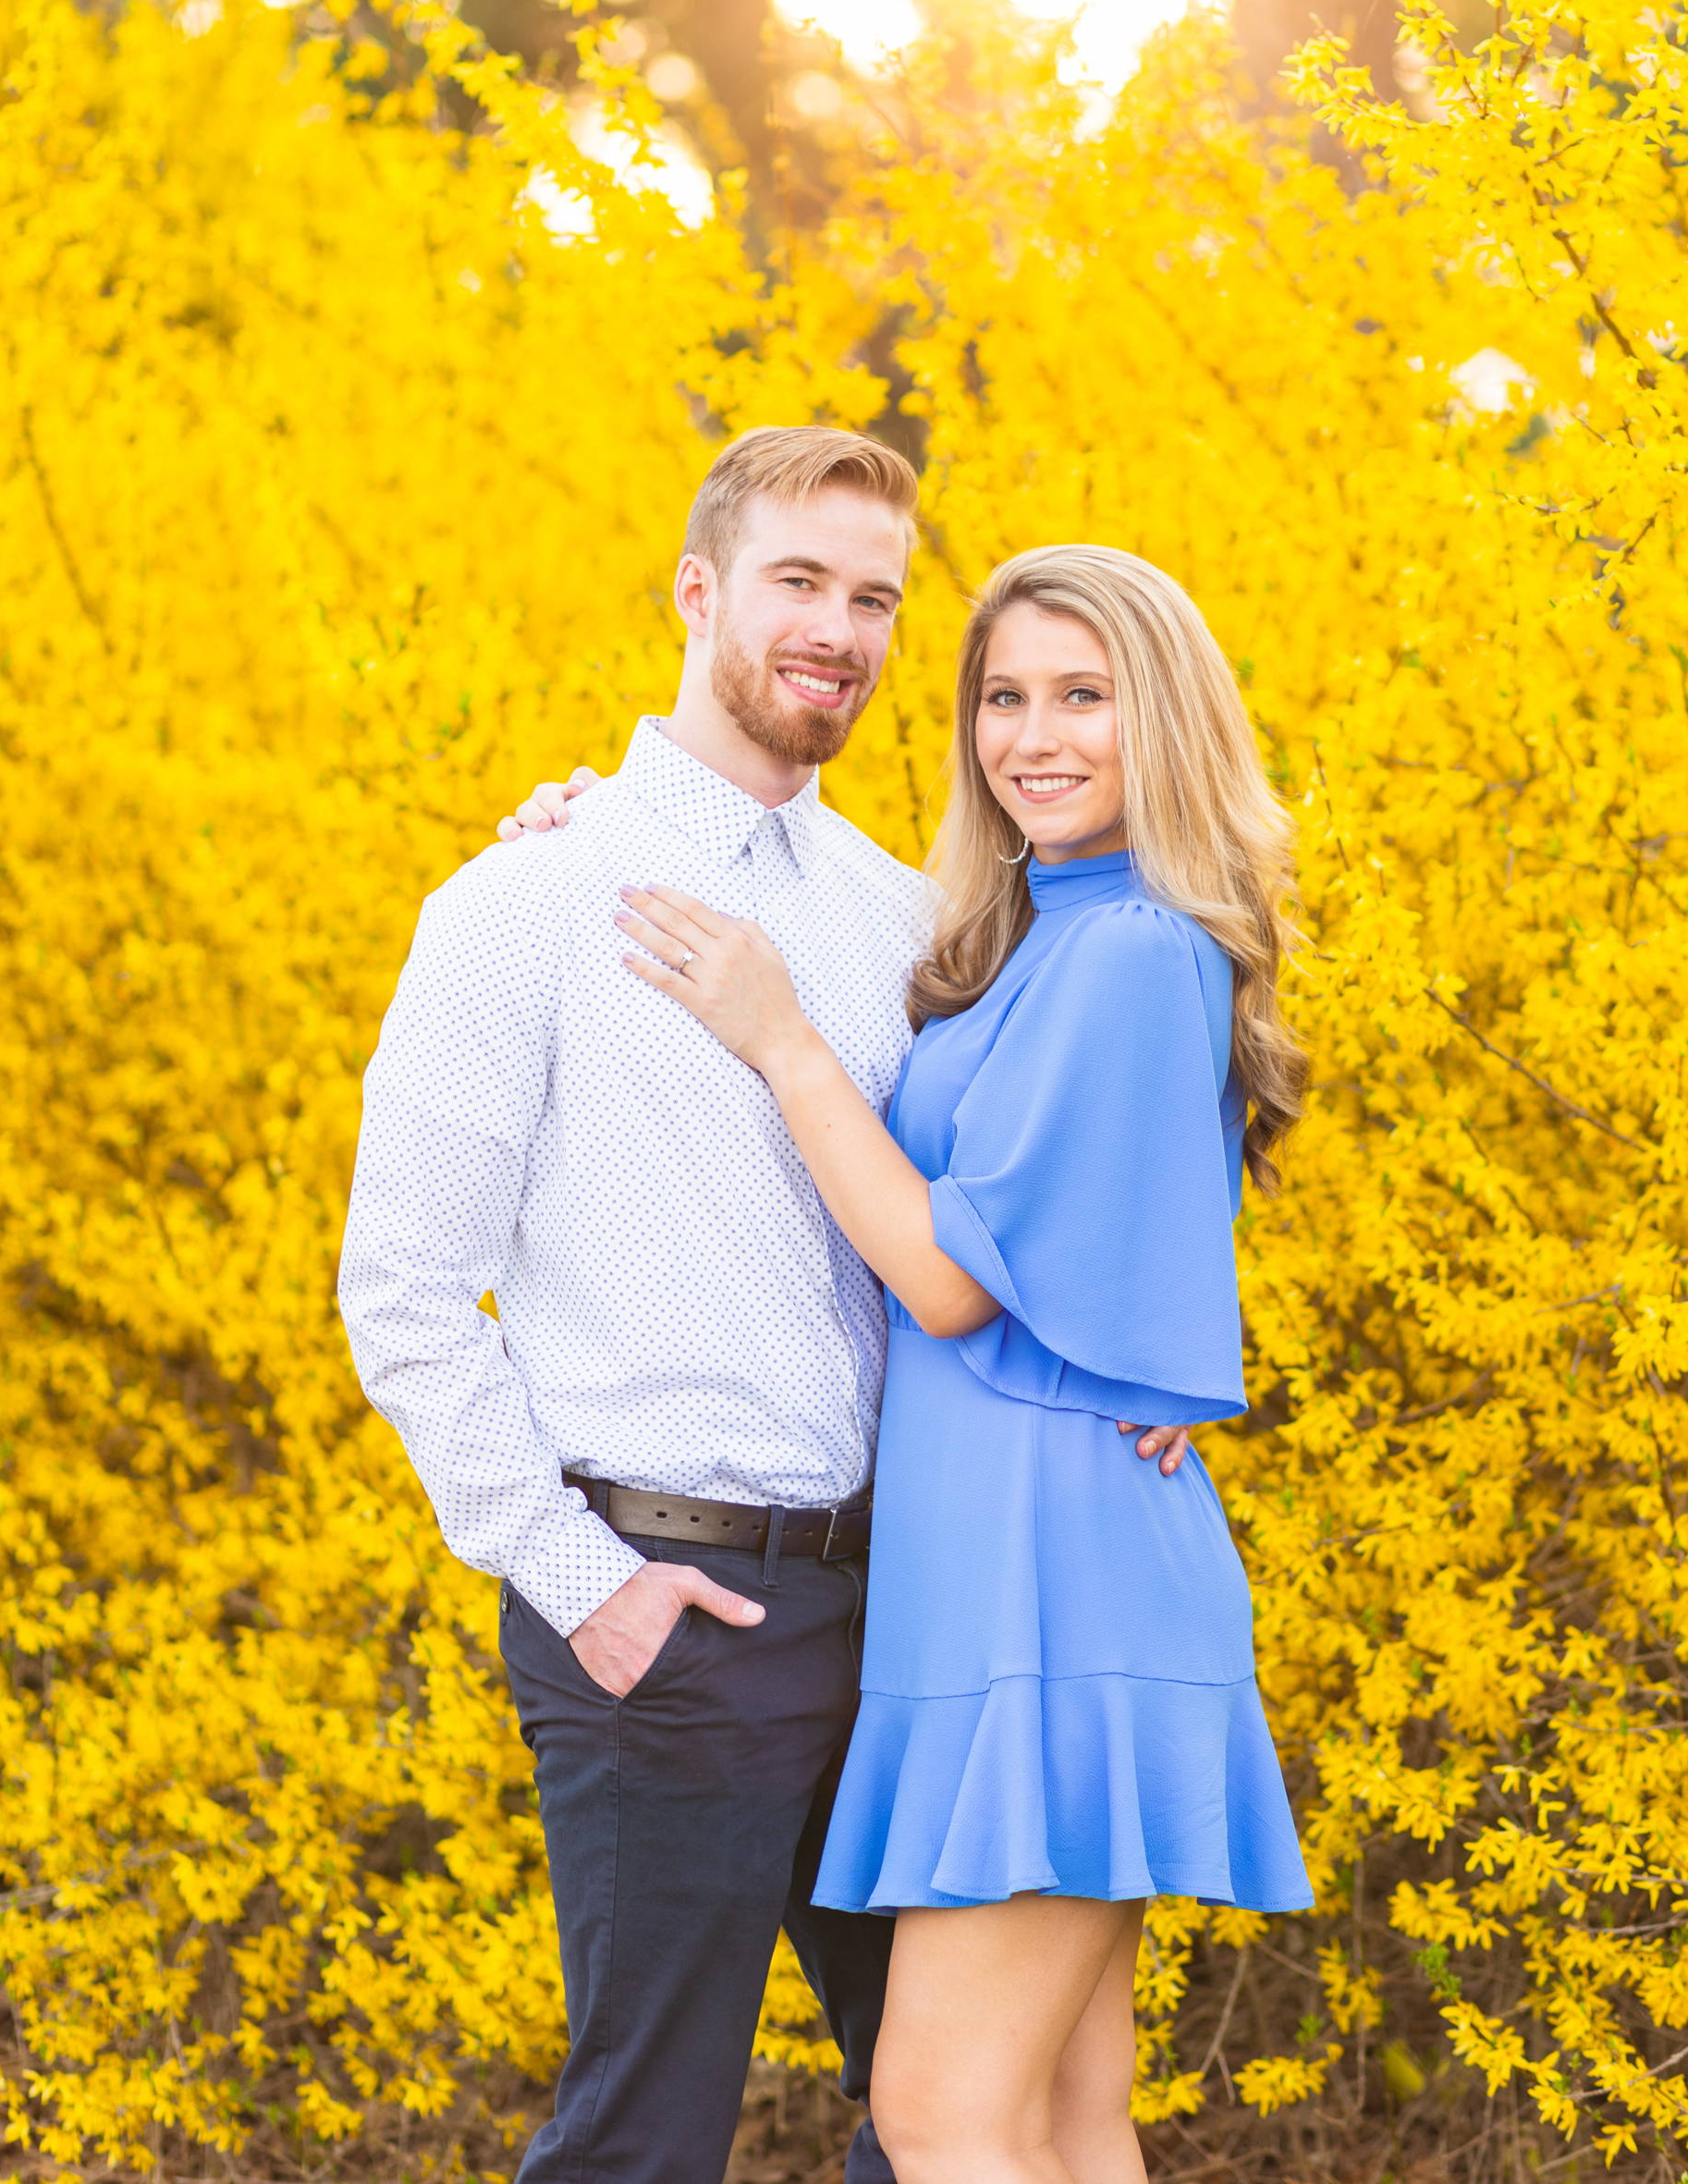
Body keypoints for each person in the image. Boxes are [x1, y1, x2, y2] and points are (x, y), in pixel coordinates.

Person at [337, 428, 1193, 2184]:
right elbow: (407, 1295)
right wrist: (588, 1587)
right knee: (642, 2144)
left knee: (959, 2114)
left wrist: (1132, 1362)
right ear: (699, 590)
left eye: (875, 598)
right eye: (801, 581)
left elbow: (1041, 1164)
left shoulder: (916, 919)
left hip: (913, 1612)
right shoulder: (524, 902)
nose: (842, 630)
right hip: (666, 1605)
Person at [525, 542, 1315, 2183]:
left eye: (1084, 696)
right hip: (1014, 1576)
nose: (1035, 736)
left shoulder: (1133, 951)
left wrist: (780, 1036)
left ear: (1162, 716)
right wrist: (581, 840)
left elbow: (952, 1283)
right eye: (1003, 698)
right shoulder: (1029, 938)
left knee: (949, 2117)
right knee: (1060, 2119)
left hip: (1051, 1591)